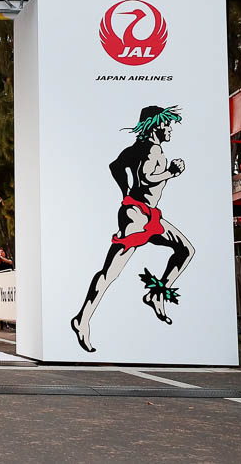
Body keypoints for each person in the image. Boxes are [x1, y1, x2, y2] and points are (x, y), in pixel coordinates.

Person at [71, 106, 194, 353]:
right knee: (110, 272)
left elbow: (115, 166)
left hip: (144, 213)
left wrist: (125, 191)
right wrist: (171, 172)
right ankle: (82, 319)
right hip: (137, 217)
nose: (170, 129)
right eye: (167, 125)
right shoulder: (153, 149)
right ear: (156, 126)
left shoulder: (134, 149)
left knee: (184, 250)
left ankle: (157, 294)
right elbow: (146, 177)